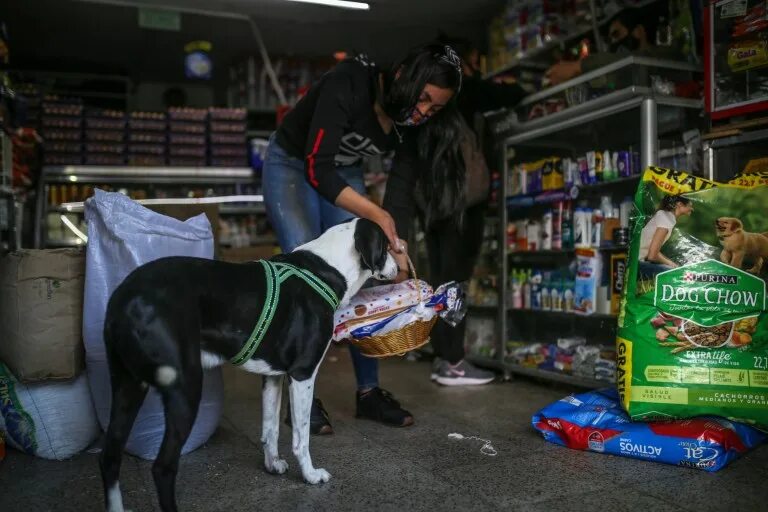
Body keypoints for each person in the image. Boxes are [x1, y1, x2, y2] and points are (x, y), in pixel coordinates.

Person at [262, 45, 465, 434]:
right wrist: (375, 215)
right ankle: (301, 391)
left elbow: (398, 196)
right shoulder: (348, 84)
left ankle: (369, 393)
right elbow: (317, 168)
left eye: (434, 109)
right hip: (292, 163)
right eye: (423, 98)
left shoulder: (412, 123)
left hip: (345, 170)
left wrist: (394, 246)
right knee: (305, 275)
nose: (423, 112)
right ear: (403, 73)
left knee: (368, 266)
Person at [396, 34, 526, 386]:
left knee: (441, 278)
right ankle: (453, 361)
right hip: (461, 202)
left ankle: (443, 357)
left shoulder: (425, 101)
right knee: (456, 280)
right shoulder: (460, 88)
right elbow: (513, 94)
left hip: (434, 205)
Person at [545, 8, 683, 86]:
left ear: (638, 31)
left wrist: (576, 67)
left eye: (617, 34)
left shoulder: (663, 55)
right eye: (610, 39)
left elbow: (632, 61)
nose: (614, 42)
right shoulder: (621, 73)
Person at [638, 194, 693, 278]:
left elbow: (654, 251)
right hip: (636, 265)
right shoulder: (666, 218)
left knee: (676, 270)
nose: (692, 208)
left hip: (639, 262)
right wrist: (672, 265)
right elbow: (652, 255)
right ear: (679, 204)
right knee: (679, 275)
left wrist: (672, 264)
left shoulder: (666, 216)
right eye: (690, 205)